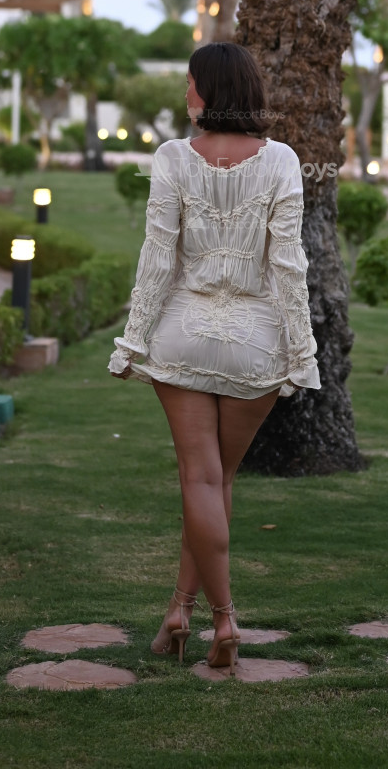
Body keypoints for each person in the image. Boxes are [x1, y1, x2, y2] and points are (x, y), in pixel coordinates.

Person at [108, 42, 319, 675]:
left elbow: (157, 259)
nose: (185, 93)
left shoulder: (173, 157)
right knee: (218, 481)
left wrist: (132, 341)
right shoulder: (282, 161)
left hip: (183, 335)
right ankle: (192, 614)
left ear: (211, 90)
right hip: (256, 341)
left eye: (191, 83)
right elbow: (289, 265)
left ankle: (204, 616)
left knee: (201, 481)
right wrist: (302, 351)